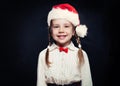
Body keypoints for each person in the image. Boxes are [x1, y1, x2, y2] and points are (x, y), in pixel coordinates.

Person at [36, 3, 93, 86]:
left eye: (66, 26)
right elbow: (40, 83)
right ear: (50, 31)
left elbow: (87, 82)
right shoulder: (43, 55)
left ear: (74, 31)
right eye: (56, 26)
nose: (61, 30)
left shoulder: (82, 54)